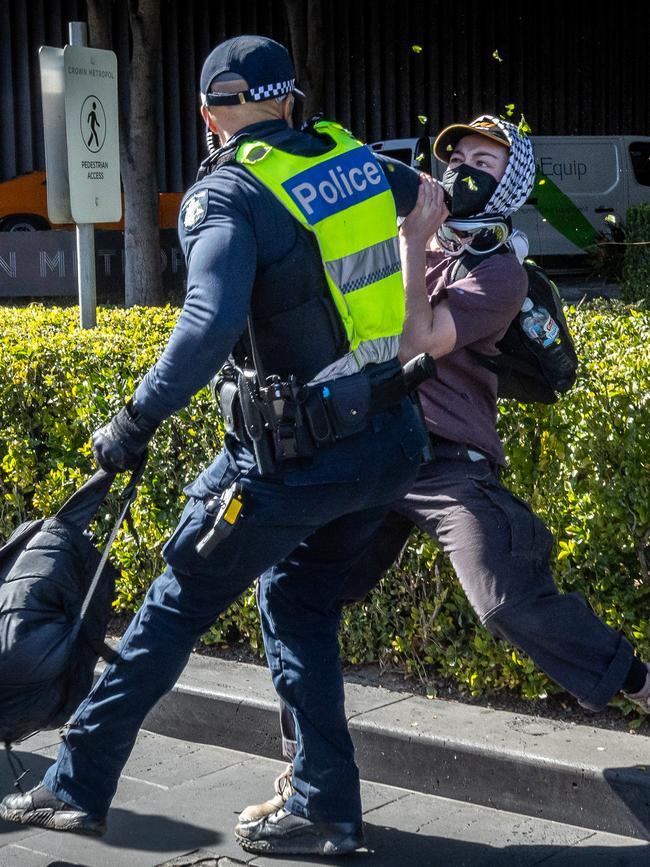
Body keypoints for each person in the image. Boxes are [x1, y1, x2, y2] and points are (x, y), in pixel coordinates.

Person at [0, 35, 432, 857]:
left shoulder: (229, 194)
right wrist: (413, 320)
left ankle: (77, 782)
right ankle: (323, 805)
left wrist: (131, 422)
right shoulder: (352, 156)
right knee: (298, 602)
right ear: (289, 99)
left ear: (210, 114)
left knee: (174, 604)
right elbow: (435, 199)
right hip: (392, 443)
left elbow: (206, 327)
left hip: (296, 459)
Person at [236, 115, 650, 840]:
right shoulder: (407, 234)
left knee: (503, 599)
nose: (463, 168)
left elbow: (418, 340)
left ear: (510, 181)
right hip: (368, 452)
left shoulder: (498, 268)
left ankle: (640, 683)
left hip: (444, 462)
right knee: (293, 589)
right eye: (456, 155)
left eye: (484, 160)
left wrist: (411, 239)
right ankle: (312, 785)